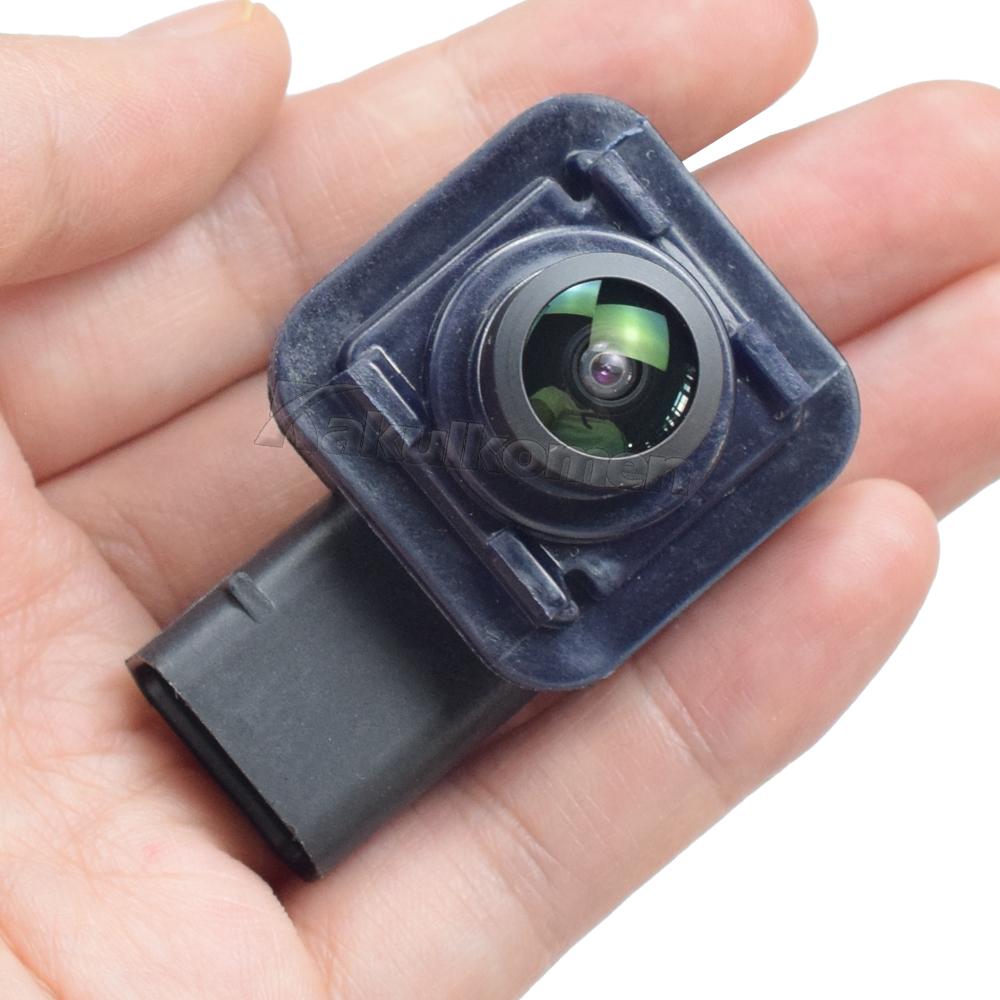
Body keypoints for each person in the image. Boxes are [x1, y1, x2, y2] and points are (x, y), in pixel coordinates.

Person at [0, 1, 997, 996]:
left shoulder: (754, 414)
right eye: (599, 368)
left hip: (544, 557)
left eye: (613, 371)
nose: (607, 369)